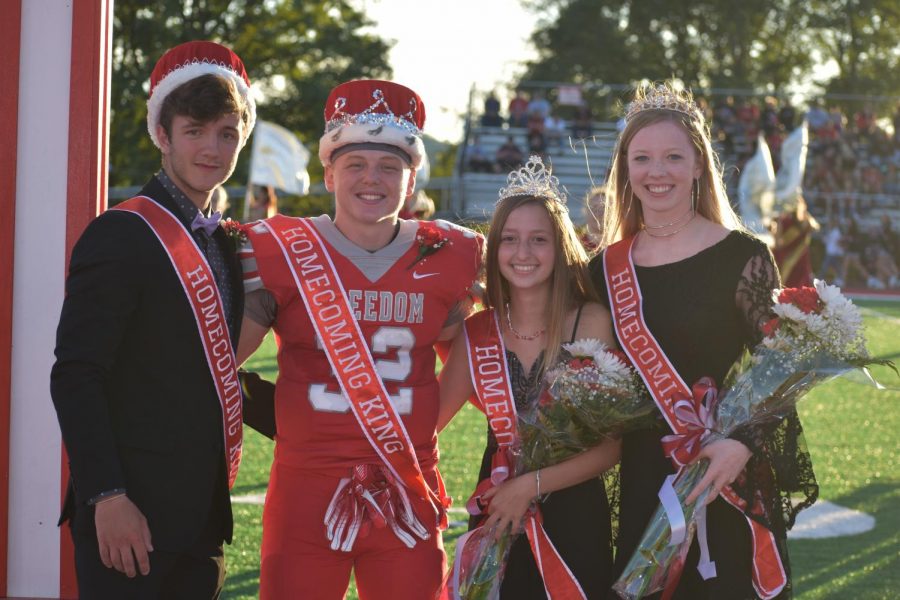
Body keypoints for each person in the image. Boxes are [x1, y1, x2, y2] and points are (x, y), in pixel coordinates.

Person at [236, 79, 484, 600]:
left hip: (405, 484)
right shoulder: (284, 246)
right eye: (355, 165)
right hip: (306, 487)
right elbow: (222, 355)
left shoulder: (446, 254)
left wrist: (421, 428)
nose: (372, 179)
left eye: (389, 167)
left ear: (411, 176)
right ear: (328, 173)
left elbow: (469, 355)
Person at [590, 82, 817, 599]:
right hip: (644, 475)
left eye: (674, 156)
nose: (657, 171)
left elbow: (780, 367)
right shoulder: (603, 269)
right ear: (626, 169)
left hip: (725, 471)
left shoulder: (741, 254)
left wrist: (742, 445)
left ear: (698, 165)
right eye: (642, 158)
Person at [50, 41, 258, 598]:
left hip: (202, 525)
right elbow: (76, 373)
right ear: (162, 135)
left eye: (227, 133)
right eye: (194, 130)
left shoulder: (227, 242)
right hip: (130, 517)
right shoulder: (120, 233)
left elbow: (205, 373)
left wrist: (330, 413)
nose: (212, 149)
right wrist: (106, 496)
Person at [439, 156, 620, 598]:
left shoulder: (591, 322)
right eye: (510, 239)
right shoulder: (476, 333)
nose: (522, 254)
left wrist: (531, 486)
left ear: (560, 248)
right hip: (497, 509)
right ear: (493, 249)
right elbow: (422, 428)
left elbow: (613, 447)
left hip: (575, 513)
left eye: (538, 240)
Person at [771, 196, 819, 288]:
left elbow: (778, 244)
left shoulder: (785, 221)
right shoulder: (784, 220)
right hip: (790, 260)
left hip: (793, 259)